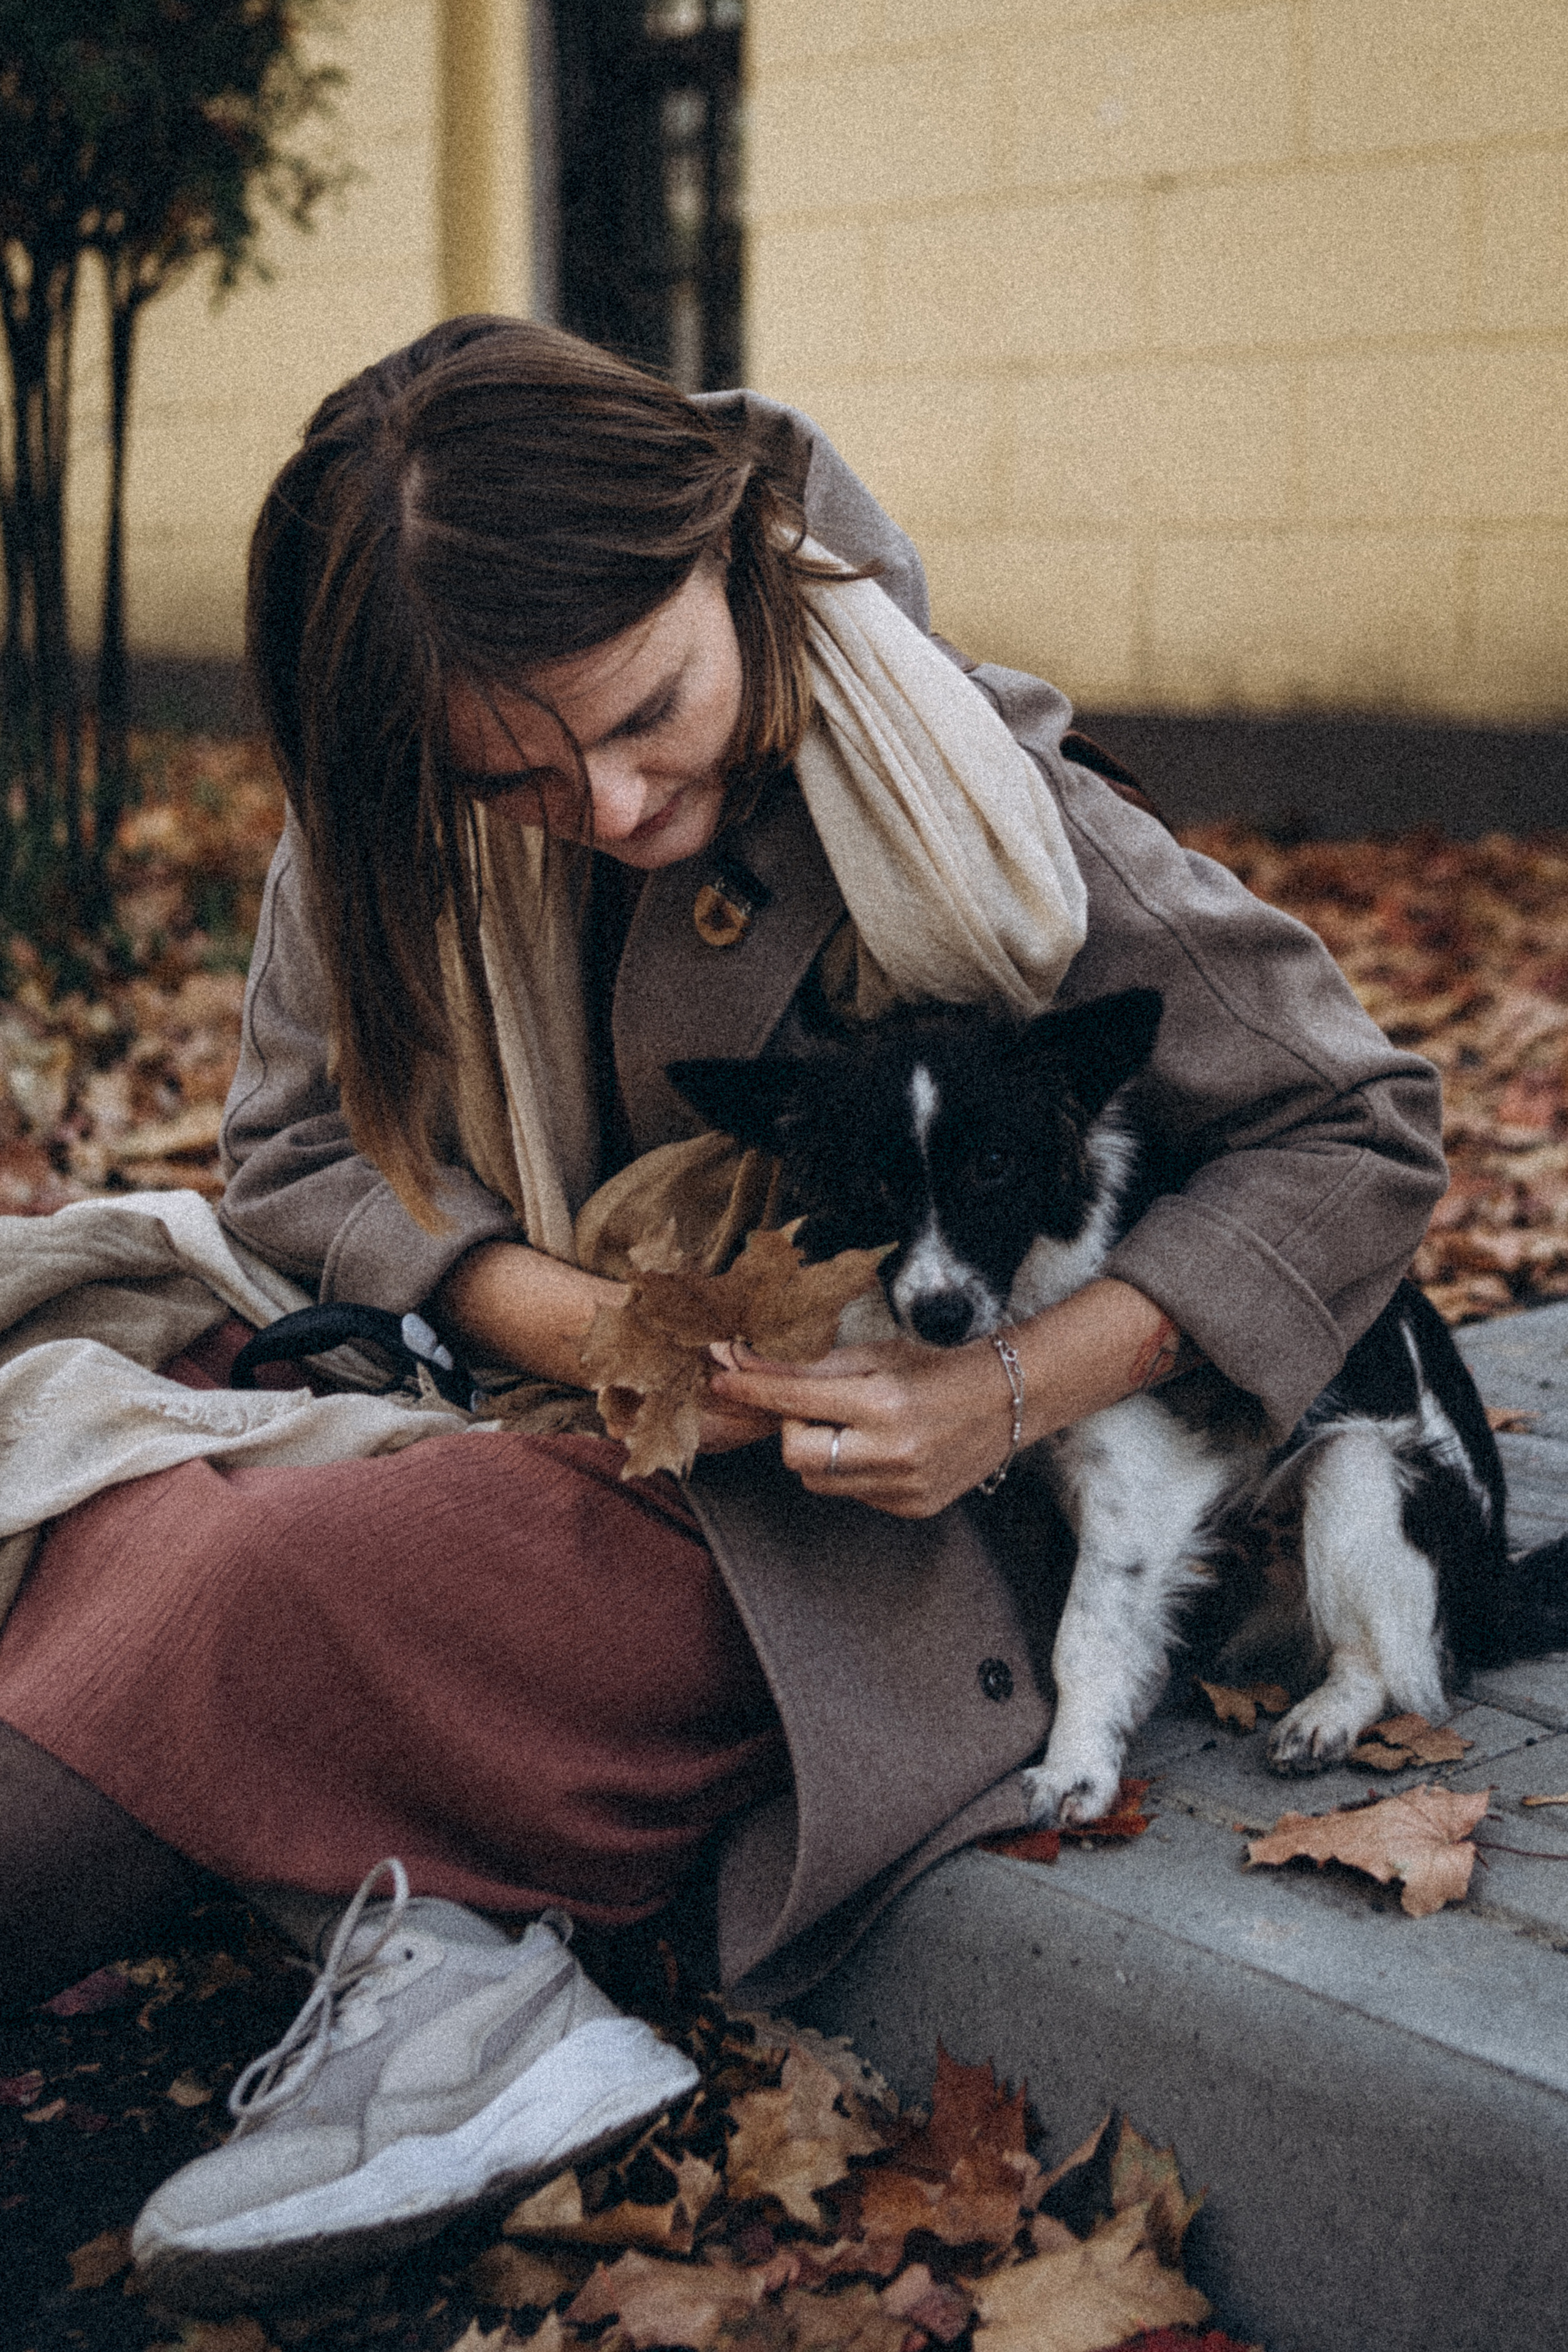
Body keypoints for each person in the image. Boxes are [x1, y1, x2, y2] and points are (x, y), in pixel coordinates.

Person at [0, 317, 1447, 2301]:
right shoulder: (400, 808)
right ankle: (441, 1968)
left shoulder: (966, 783)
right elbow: (300, 1153)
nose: (607, 802)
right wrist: (585, 1326)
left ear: (726, 550)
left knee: (232, 1579)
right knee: (108, 1429)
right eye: (519, 779)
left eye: (650, 710)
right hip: (542, 1395)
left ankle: (449, 1984)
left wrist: (1014, 1387)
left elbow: (1354, 1129)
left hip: (864, 1520)